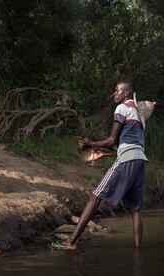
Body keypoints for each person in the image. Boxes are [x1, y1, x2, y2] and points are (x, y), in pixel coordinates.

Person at [51, 80, 153, 250]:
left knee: (95, 197)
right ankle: (138, 252)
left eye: (117, 91)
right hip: (140, 161)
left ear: (126, 94)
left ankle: (71, 242)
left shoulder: (122, 108)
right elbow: (129, 145)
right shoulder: (140, 117)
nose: (114, 94)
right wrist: (105, 153)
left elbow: (111, 140)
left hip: (127, 160)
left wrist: (90, 144)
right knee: (135, 210)